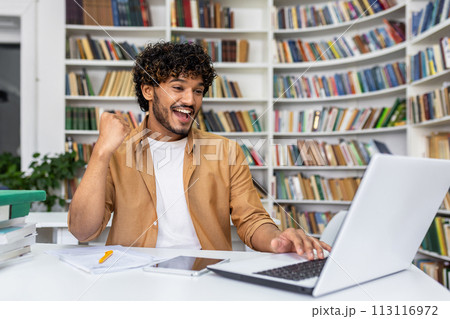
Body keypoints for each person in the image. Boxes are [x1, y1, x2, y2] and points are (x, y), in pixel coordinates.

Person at [68, 41, 330, 260]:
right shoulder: (117, 151)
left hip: (207, 279)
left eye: (198, 91)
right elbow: (82, 231)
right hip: (134, 279)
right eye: (178, 88)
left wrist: (276, 239)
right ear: (148, 91)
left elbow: (251, 219)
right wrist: (101, 152)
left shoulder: (225, 151)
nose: (190, 101)